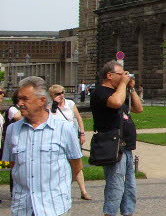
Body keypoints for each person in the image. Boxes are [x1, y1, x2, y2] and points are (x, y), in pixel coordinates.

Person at [2, 77, 83, 216]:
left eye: (24, 99)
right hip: (23, 208)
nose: (19, 103)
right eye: (18, 99)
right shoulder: (12, 130)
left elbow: (76, 164)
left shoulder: (64, 128)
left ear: (42, 101)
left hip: (54, 208)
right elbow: (10, 164)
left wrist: (58, 188)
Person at [92, 60, 144, 216]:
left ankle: (128, 213)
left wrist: (131, 88)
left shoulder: (120, 91)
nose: (125, 77)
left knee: (130, 187)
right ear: (109, 75)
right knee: (115, 187)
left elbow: (138, 109)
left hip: (126, 147)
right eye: (121, 74)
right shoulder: (100, 91)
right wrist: (123, 84)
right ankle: (110, 213)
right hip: (113, 146)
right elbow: (115, 102)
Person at [48, 84, 92, 200]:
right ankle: (60, 188)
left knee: (77, 164)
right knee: (59, 165)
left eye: (62, 92)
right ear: (52, 96)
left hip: (72, 138)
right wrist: (54, 106)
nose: (61, 95)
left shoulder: (70, 104)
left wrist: (82, 133)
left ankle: (83, 191)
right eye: (58, 94)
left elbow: (79, 119)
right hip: (57, 139)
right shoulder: (50, 107)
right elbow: (49, 122)